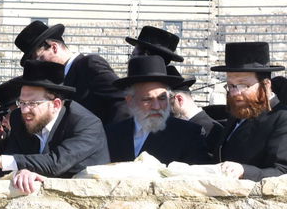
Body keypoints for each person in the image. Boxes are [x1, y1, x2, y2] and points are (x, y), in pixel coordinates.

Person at [0, 61, 110, 193]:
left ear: (55, 104)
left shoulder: (86, 124)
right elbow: (13, 160)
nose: (25, 110)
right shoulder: (18, 118)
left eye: (33, 103)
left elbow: (55, 163)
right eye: (22, 103)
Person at [105, 56, 212, 165]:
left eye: (162, 98)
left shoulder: (188, 135)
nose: (156, 106)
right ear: (130, 101)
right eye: (147, 99)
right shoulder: (110, 134)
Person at [15, 20, 123, 125]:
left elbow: (120, 99)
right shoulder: (55, 81)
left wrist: (110, 138)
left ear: (54, 47)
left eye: (39, 58)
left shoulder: (88, 65)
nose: (38, 65)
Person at [214, 42, 287, 180]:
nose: (235, 93)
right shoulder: (237, 113)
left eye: (244, 85)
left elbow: (283, 171)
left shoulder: (282, 118)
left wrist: (244, 171)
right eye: (231, 86)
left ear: (266, 85)